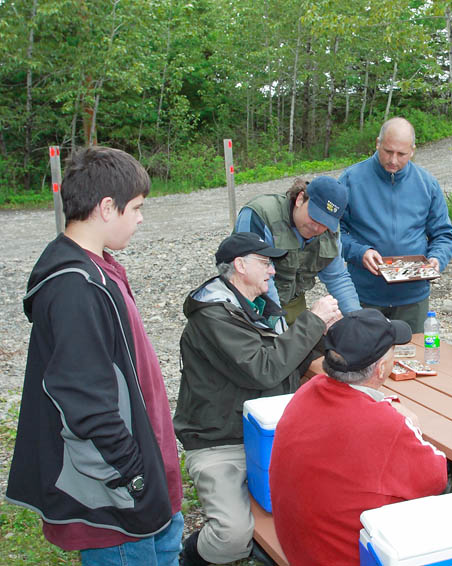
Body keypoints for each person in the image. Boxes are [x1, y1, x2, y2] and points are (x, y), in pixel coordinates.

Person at [5, 146, 184, 565]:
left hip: (149, 487)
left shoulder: (101, 267)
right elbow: (85, 402)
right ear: (107, 207)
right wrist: (135, 478)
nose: (141, 218)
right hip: (118, 507)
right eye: (137, 208)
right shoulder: (73, 287)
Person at [173, 232, 341, 566]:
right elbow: (264, 369)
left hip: (272, 434)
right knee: (231, 536)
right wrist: (312, 321)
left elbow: (288, 358)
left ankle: (270, 547)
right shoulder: (213, 316)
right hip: (220, 441)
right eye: (265, 263)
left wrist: (326, 336)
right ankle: (188, 558)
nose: (272, 271)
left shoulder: (259, 308)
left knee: (332, 500)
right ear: (239, 265)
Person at [270, 309, 448, 565]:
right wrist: (409, 423)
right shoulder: (386, 425)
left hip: (298, 544)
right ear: (381, 368)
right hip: (346, 556)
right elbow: (437, 477)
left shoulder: (308, 390)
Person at [339, 116, 452, 332]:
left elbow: (444, 234)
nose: (393, 160)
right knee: (363, 360)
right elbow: (333, 234)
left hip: (413, 298)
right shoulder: (351, 180)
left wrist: (436, 259)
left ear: (412, 151)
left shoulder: (427, 184)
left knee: (413, 360)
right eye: (388, 151)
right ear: (378, 143)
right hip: (365, 295)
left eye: (401, 154)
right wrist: (360, 252)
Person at [235, 175, 360, 324]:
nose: (317, 227)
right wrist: (280, 328)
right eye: (314, 217)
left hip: (293, 303)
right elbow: (257, 278)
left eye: (325, 223)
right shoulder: (261, 215)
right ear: (300, 199)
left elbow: (337, 277)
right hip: (252, 304)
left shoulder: (331, 229)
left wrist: (357, 318)